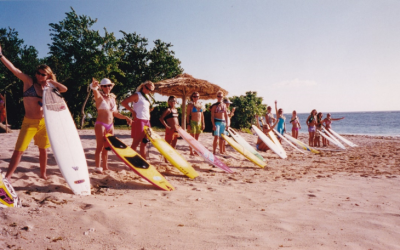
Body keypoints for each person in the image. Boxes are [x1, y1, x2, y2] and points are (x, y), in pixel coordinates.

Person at [0, 44, 67, 181]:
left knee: (43, 150)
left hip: (43, 123)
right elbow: (14, 70)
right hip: (29, 123)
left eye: (43, 74)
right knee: (19, 150)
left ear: (48, 75)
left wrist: (51, 82)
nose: (39, 76)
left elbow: (64, 89)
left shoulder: (49, 88)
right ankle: (8, 177)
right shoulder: (29, 82)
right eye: (38, 73)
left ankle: (43, 174)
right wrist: (1, 56)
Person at [90, 78, 132, 173]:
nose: (107, 87)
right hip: (101, 124)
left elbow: (115, 113)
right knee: (100, 146)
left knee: (107, 147)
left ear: (111, 86)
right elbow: (94, 89)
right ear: (101, 87)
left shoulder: (113, 98)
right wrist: (94, 86)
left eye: (109, 85)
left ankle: (105, 166)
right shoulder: (99, 96)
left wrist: (126, 117)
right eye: (104, 86)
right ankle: (97, 167)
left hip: (110, 125)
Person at [121, 81, 155, 159]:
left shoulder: (148, 96)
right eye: (147, 88)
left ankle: (144, 160)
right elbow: (124, 102)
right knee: (136, 142)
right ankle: (132, 160)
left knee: (144, 142)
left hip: (147, 119)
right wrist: (132, 111)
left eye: (151, 90)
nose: (149, 91)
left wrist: (149, 110)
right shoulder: (137, 95)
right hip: (139, 119)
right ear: (143, 86)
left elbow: (142, 107)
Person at [210, 91, 229, 155]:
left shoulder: (224, 105)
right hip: (217, 122)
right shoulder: (214, 106)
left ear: (222, 97)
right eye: (218, 96)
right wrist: (213, 125)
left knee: (222, 138)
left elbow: (226, 115)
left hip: (223, 122)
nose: (220, 98)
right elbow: (212, 116)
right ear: (216, 97)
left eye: (221, 96)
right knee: (216, 137)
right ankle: (214, 151)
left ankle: (221, 151)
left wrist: (227, 124)